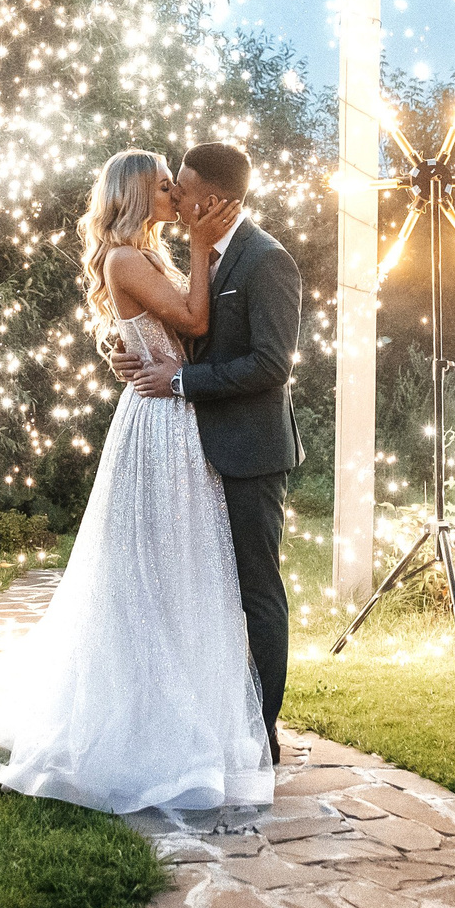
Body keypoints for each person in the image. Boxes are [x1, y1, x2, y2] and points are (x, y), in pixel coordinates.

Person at [0, 149, 270, 812]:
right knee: (147, 571)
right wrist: (204, 249)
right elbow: (196, 322)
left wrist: (148, 337)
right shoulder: (125, 259)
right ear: (138, 194)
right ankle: (134, 729)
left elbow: (180, 337)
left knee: (184, 570)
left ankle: (177, 719)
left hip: (175, 410)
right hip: (158, 423)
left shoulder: (145, 256)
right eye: (165, 187)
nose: (177, 195)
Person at [107, 142, 304, 763]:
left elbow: (271, 364)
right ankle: (202, 718)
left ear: (218, 199)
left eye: (185, 189)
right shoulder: (186, 253)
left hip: (247, 449)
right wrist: (126, 346)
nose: (179, 200)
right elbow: (183, 327)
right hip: (188, 446)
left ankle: (260, 733)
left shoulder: (266, 260)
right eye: (171, 188)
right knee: (199, 588)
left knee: (255, 592)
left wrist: (180, 380)